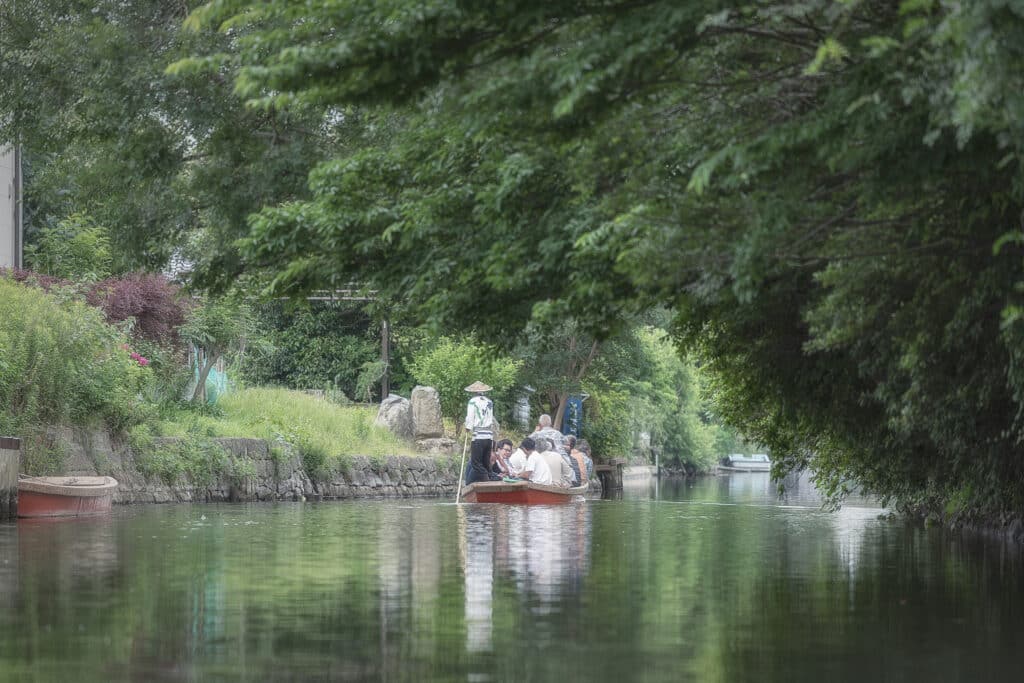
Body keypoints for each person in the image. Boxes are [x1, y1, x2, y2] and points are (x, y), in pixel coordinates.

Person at [464, 380, 498, 484]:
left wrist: (467, 427)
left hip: (478, 436)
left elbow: (470, 417)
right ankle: (490, 476)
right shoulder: (489, 402)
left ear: (474, 392)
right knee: (485, 462)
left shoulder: (473, 401)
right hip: (489, 436)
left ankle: (487, 479)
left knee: (476, 463)